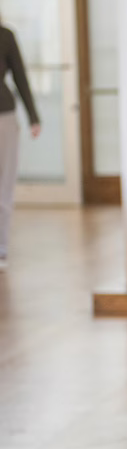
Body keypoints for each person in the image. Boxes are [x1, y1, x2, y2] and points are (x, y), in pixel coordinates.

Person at [0, 19, 40, 271]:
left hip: (3, 116)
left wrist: (33, 116)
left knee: (3, 184)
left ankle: (0, 248)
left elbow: (20, 76)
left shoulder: (5, 35)